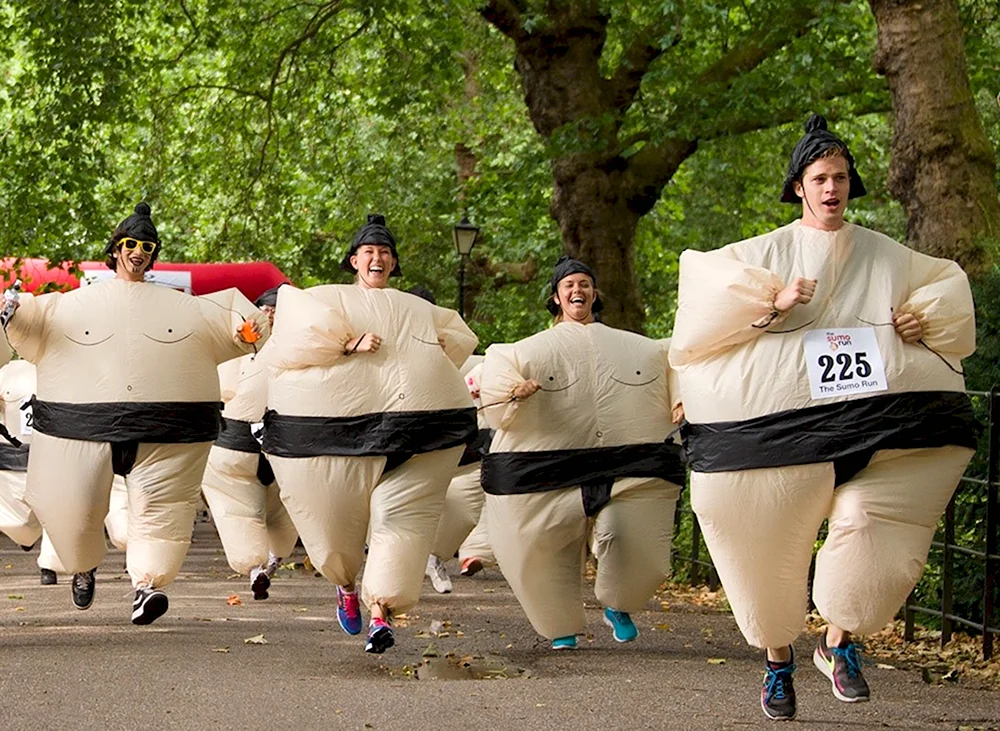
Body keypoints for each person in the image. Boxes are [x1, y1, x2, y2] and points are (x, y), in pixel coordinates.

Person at [669, 115, 978, 720]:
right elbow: (696, 320)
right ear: (799, 188)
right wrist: (771, 304)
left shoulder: (886, 256)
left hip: (884, 427)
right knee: (760, 542)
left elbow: (946, 285)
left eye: (840, 177)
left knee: (873, 527)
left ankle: (839, 643)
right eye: (820, 178)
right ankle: (778, 663)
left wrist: (923, 318)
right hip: (778, 437)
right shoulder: (762, 255)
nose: (832, 188)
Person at [4, 202, 267, 624]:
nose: (139, 251)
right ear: (115, 249)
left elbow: (233, 322)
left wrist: (245, 328)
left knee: (162, 512)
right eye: (130, 243)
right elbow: (32, 322)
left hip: (163, 431)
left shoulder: (184, 309)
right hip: (82, 427)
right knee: (76, 510)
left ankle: (148, 586)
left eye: (147, 245)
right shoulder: (73, 304)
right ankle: (82, 566)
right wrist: (15, 315)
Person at [262, 213, 478, 653]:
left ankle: (382, 611)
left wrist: (434, 359)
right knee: (335, 532)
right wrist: (345, 345)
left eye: (385, 253)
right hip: (336, 436)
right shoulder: (327, 300)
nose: (377, 258)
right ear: (354, 261)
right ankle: (344, 584)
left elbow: (459, 338)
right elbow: (289, 342)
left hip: (418, 434)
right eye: (369, 252)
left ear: (394, 263)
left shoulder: (420, 309)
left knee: (402, 521)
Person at [480, 256, 685, 649]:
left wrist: (680, 401)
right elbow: (497, 387)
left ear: (594, 293)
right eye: (569, 284)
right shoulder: (524, 352)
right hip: (549, 465)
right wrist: (511, 392)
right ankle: (560, 624)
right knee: (543, 544)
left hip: (628, 461)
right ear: (556, 297)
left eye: (585, 284)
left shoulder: (640, 350)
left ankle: (619, 603)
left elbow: (676, 363)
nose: (578, 290)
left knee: (629, 534)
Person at [201, 284, 298, 600]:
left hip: (283, 445)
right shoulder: (233, 346)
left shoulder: (300, 351)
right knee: (238, 509)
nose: (269, 318)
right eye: (265, 311)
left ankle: (271, 561)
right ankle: (256, 567)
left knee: (286, 507)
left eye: (276, 313)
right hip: (235, 441)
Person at [0, 358, 129, 584]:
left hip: (69, 448)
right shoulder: (12, 372)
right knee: (20, 523)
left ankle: (65, 565)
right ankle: (35, 540)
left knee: (66, 508)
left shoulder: (84, 368)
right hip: (22, 454)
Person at [424, 356, 496, 593]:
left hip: (475, 457)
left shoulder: (491, 372)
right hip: (433, 452)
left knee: (465, 513)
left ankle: (435, 558)